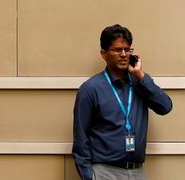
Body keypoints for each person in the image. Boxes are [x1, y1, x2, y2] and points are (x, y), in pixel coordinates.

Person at [72, 24, 173, 180]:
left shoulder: (140, 84)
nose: (124, 54)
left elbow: (165, 107)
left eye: (128, 49)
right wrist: (89, 176)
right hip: (104, 172)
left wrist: (141, 76)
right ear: (104, 54)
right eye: (118, 50)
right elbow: (81, 138)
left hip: (137, 172)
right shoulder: (90, 89)